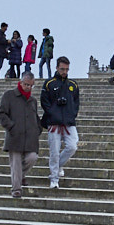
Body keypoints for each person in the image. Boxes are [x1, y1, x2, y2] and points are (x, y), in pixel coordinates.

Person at [0, 69, 41, 198]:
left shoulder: (33, 101)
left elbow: (35, 116)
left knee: (32, 158)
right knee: (15, 163)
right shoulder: (9, 96)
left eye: (31, 85)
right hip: (15, 136)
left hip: (30, 138)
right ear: (20, 82)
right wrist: (11, 127)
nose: (28, 87)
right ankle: (16, 189)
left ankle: (20, 176)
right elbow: (2, 114)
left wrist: (37, 129)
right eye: (26, 84)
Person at [41, 56, 80, 189]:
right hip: (53, 122)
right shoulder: (49, 83)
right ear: (57, 68)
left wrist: (71, 115)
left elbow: (76, 103)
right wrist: (52, 113)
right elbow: (44, 102)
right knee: (54, 151)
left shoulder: (73, 85)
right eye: (62, 69)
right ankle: (54, 178)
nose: (64, 72)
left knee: (72, 146)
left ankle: (58, 166)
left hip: (69, 122)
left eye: (67, 69)